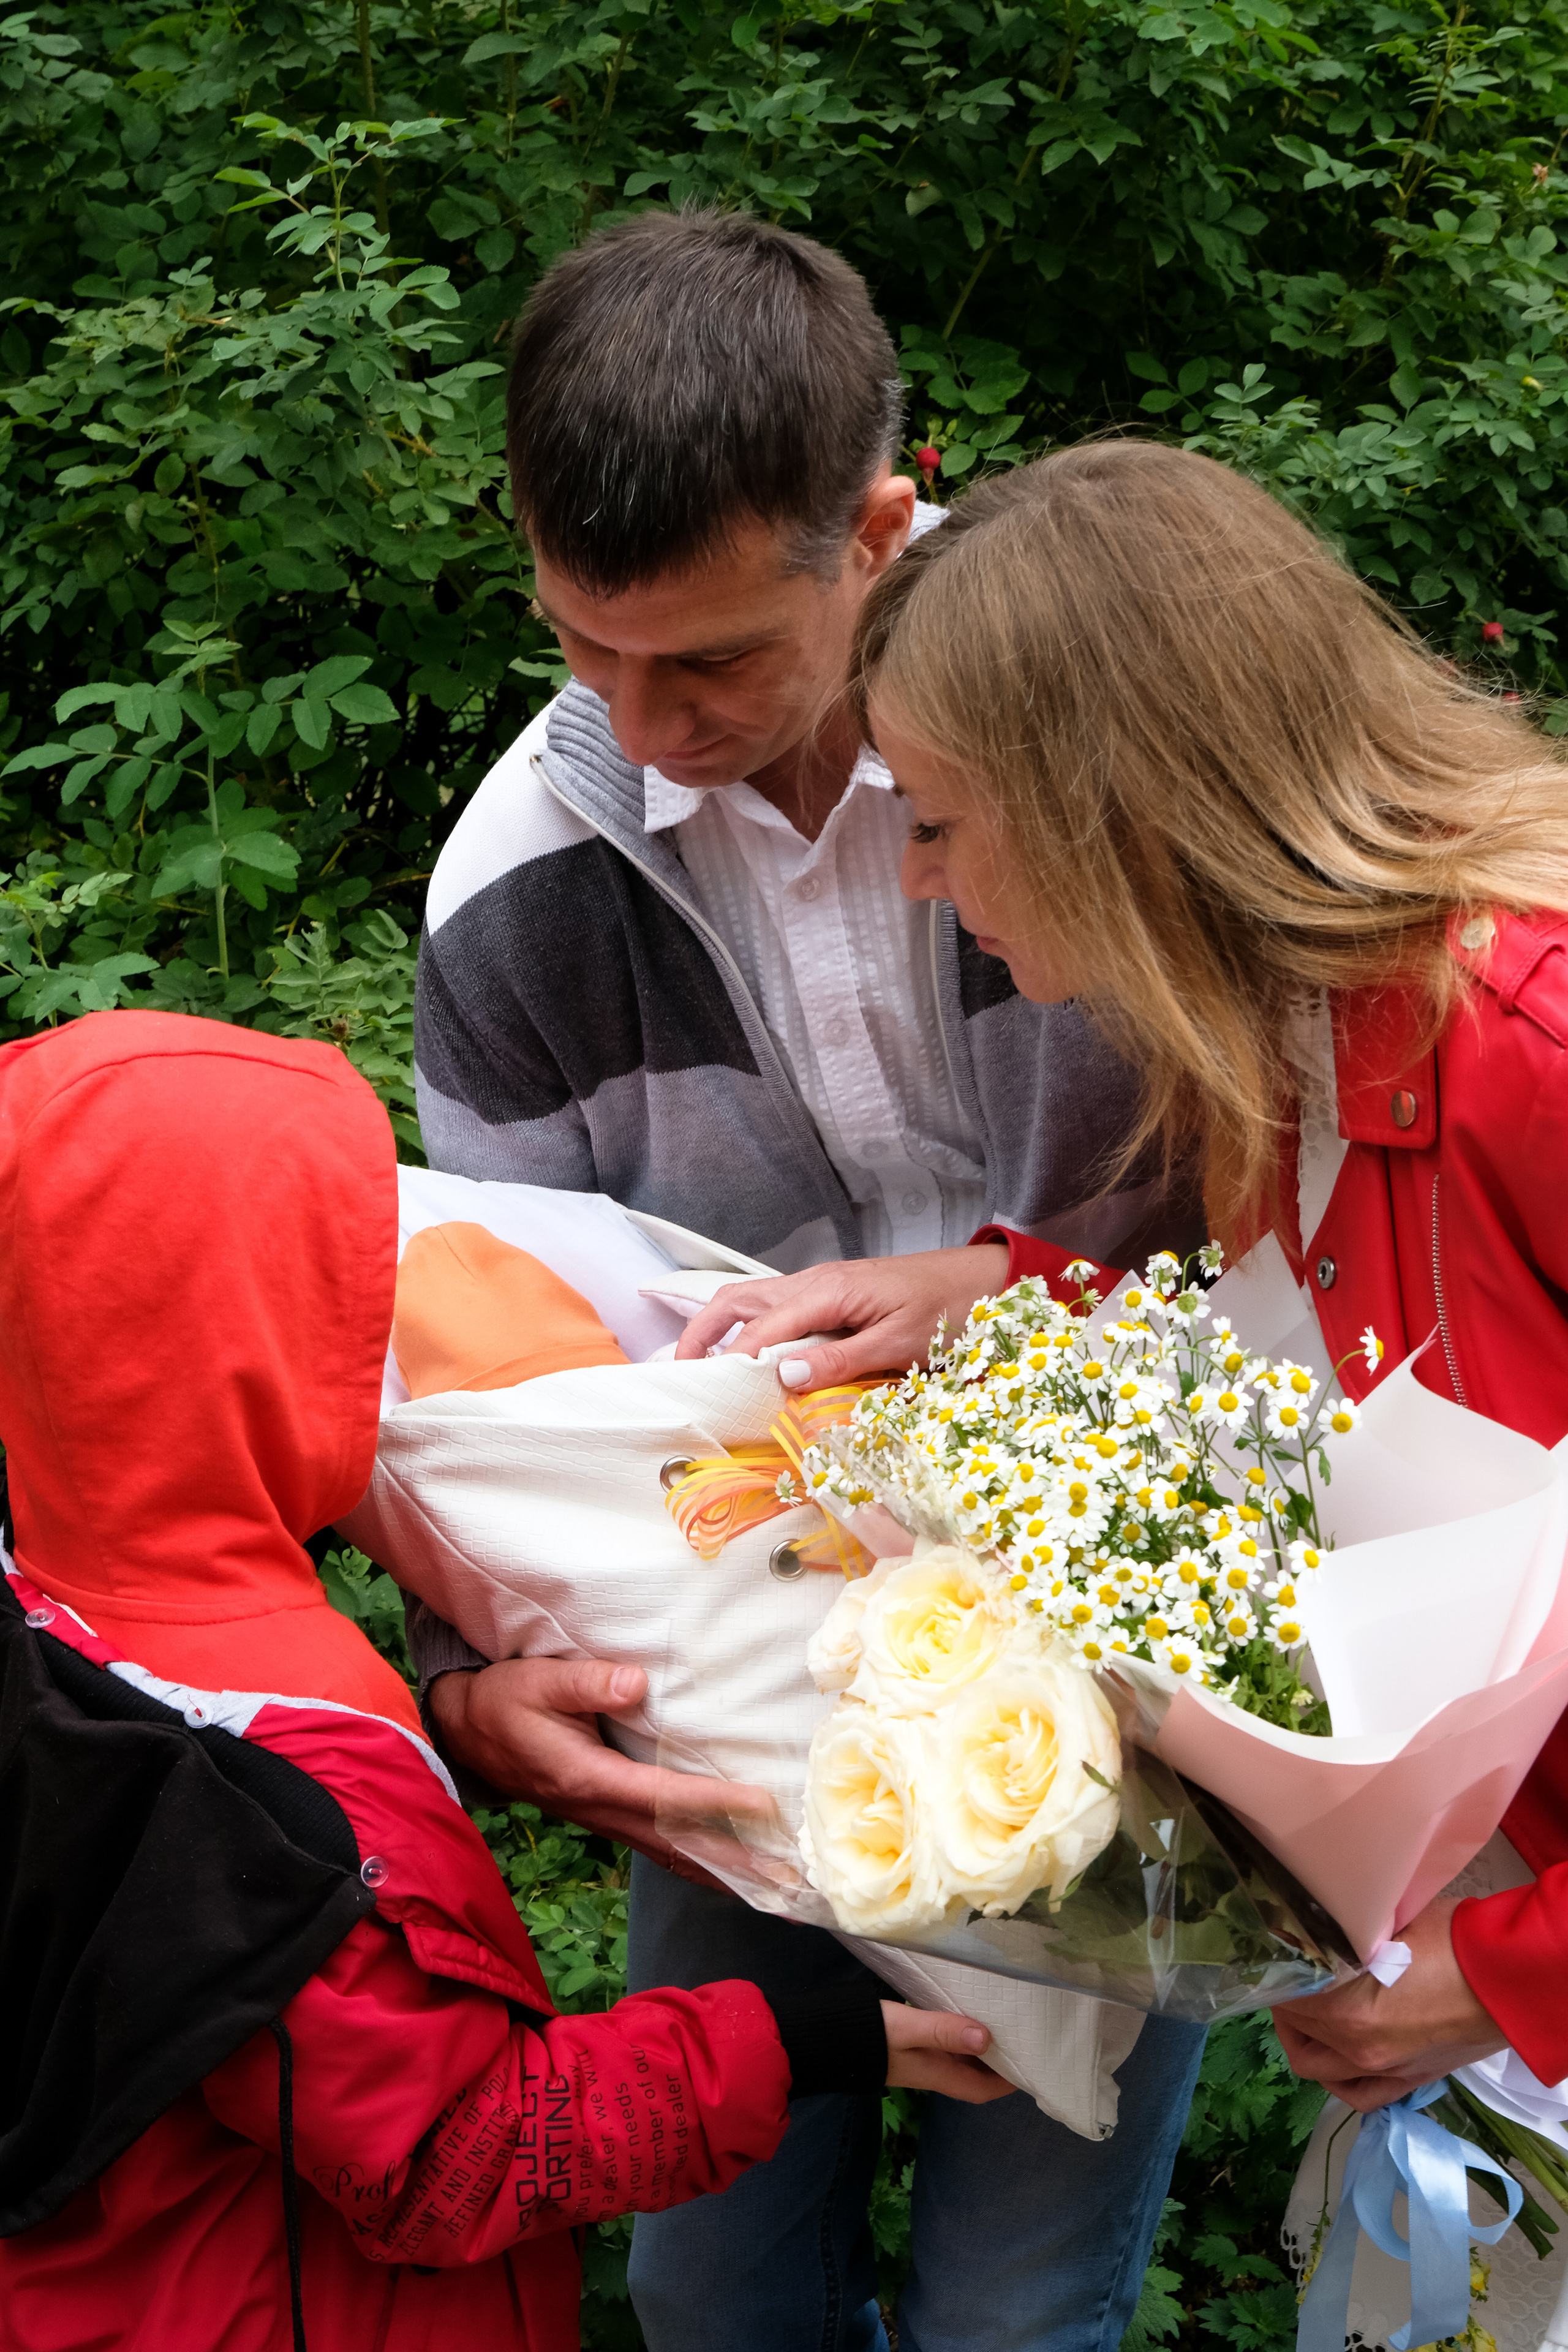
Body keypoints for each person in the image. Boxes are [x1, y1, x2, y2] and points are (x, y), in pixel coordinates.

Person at [411, 213, 1207, 2352]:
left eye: (714, 665)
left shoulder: (1116, 755)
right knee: (708, 2282)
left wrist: (1024, 1296)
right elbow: (496, 1372)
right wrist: (475, 1694)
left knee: (1019, 2303)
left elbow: (1323, 1247)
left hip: (1113, 1653)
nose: (644, 728)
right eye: (587, 651)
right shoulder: (516, 895)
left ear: (877, 531)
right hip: (744, 1677)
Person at [678, 437, 1568, 2120]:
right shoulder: (1285, 1051)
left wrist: (1525, 1972)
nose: (923, 882)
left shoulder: (1529, 1041)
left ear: (1116, 806)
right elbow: (1339, 1410)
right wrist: (1005, 1301)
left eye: (939, 823)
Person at [0, 1009, 1008, 2352]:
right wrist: (816, 2041)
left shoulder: (47, 1617)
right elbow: (456, 2157)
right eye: (352, 1291)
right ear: (254, 1340)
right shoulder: (278, 1761)